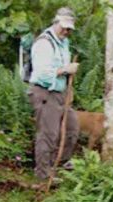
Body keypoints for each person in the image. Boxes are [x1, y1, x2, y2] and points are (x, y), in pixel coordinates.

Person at [28, 8, 80, 180]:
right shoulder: (44, 43)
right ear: (56, 22)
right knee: (49, 134)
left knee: (72, 128)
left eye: (69, 28)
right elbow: (42, 73)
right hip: (44, 92)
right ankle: (43, 175)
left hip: (60, 93)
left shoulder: (63, 42)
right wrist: (65, 69)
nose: (66, 31)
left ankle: (58, 164)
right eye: (64, 27)